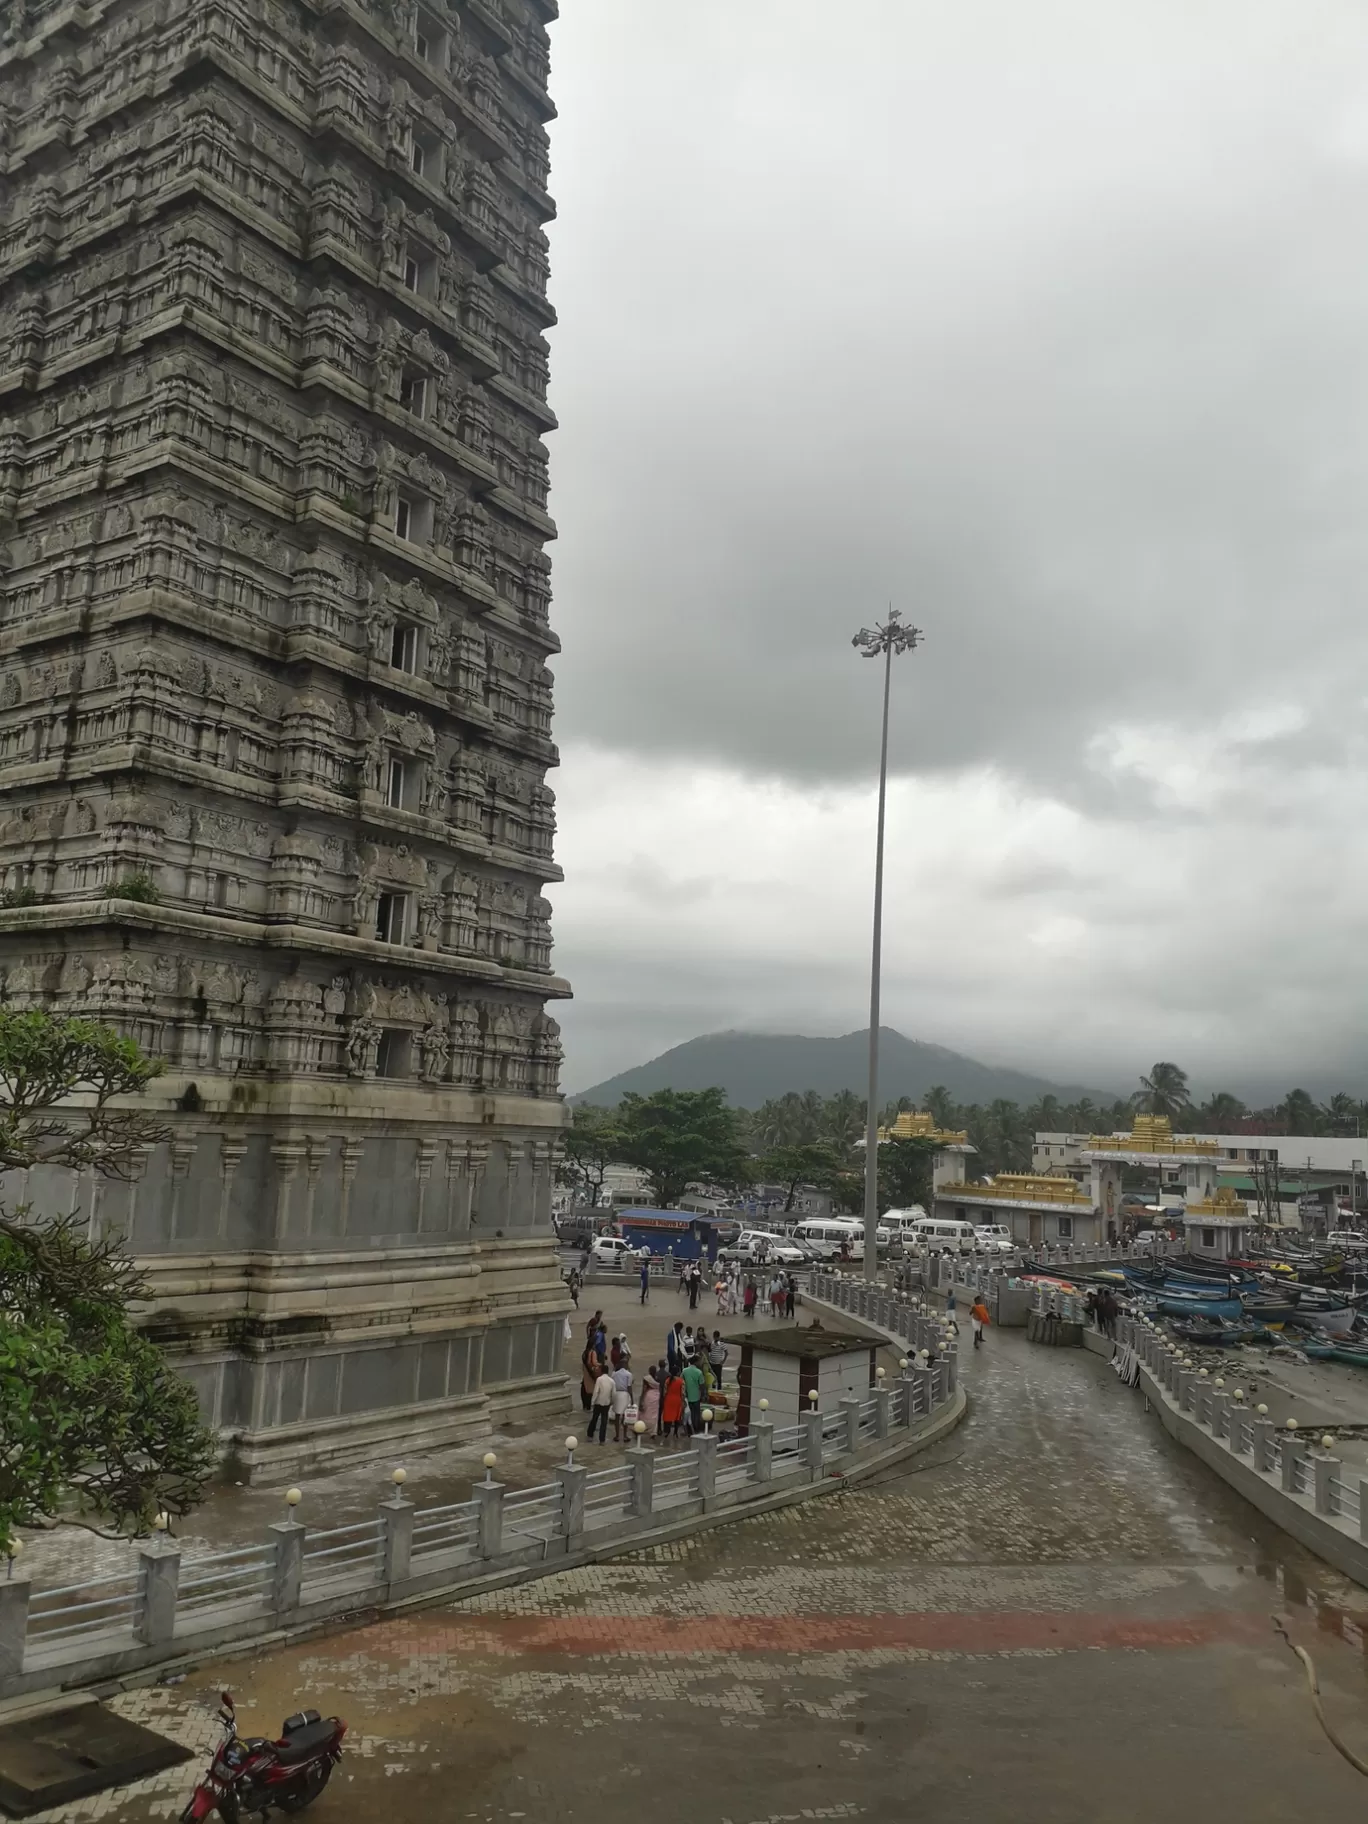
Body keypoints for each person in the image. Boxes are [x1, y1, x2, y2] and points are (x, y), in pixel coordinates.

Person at [587, 1363, 614, 1443]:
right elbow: (613, 1393)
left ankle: (590, 1435)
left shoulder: (599, 1379)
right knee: (604, 1421)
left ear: (601, 1371)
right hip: (606, 1403)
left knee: (594, 1419)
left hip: (598, 1402)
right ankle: (602, 1439)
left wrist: (592, 1402)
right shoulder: (612, 1381)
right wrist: (611, 1402)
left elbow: (596, 1392)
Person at [681, 1354, 705, 1435]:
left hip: (687, 1397)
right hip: (696, 1396)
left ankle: (688, 1430)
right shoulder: (699, 1372)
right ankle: (696, 1429)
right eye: (699, 1361)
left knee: (687, 1414)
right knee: (696, 1414)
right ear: (696, 1362)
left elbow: (681, 1382)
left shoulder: (684, 1371)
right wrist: (703, 1395)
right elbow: (702, 1385)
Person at [661, 1366, 686, 1444]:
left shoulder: (668, 1380)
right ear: (678, 1372)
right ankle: (675, 1432)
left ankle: (666, 1432)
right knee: (677, 1416)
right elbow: (683, 1393)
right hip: (677, 1400)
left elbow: (664, 1392)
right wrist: (683, 1401)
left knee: (667, 1416)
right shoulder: (681, 1381)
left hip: (668, 1400)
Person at [611, 1360, 633, 1442]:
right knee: (625, 1416)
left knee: (617, 1416)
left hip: (616, 1394)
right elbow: (629, 1387)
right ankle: (625, 1435)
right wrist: (632, 1398)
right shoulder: (628, 1374)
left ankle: (617, 1435)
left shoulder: (615, 1374)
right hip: (625, 1394)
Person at [639, 1365, 661, 1435]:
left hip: (648, 1396)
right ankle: (653, 1432)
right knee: (655, 1415)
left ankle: (642, 1428)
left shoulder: (646, 1379)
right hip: (656, 1396)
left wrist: (641, 1399)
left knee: (644, 1413)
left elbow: (644, 1389)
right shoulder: (658, 1379)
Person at [580, 1338, 600, 1412]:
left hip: (585, 1371)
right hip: (590, 1372)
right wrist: (600, 1364)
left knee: (585, 1386)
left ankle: (584, 1405)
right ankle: (588, 1405)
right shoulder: (593, 1352)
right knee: (590, 1389)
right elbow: (594, 1362)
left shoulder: (585, 1352)